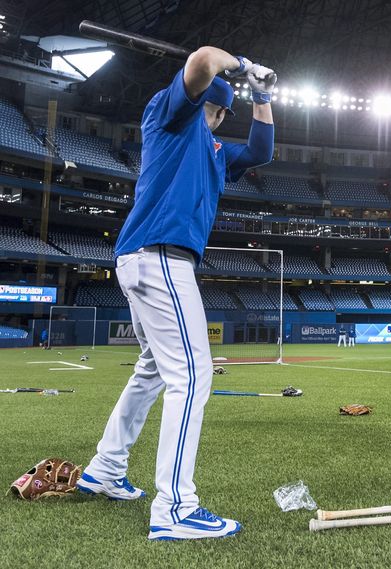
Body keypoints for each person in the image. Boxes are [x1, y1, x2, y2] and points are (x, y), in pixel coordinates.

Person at [77, 47, 276, 541]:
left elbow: (260, 152)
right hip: (161, 256)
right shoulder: (173, 115)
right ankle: (176, 508)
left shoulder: (213, 148)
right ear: (219, 105)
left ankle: (105, 468)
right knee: (192, 374)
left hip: (148, 259)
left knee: (152, 369)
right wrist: (238, 62)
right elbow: (203, 59)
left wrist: (263, 93)